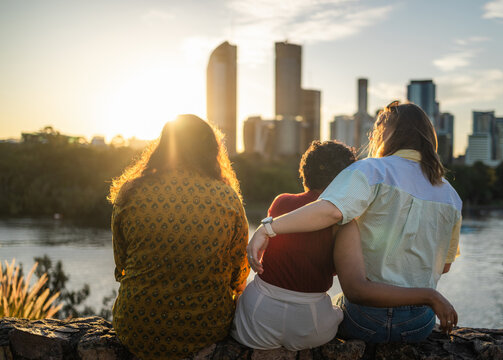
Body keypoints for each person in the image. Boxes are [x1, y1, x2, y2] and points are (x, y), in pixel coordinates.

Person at [247, 102, 461, 343]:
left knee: (333, 302)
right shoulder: (452, 196)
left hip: (367, 319)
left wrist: (268, 228)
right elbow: (443, 266)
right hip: (419, 323)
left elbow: (331, 211)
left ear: (386, 132)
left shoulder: (372, 170)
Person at [108, 115, 249, 359]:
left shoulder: (131, 192)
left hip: (137, 326)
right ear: (210, 150)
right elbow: (239, 274)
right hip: (206, 328)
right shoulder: (228, 198)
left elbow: (121, 265)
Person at [231, 140, 355, 350]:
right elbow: (336, 269)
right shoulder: (343, 219)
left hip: (258, 318)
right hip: (311, 324)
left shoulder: (281, 202)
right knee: (339, 309)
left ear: (305, 173)